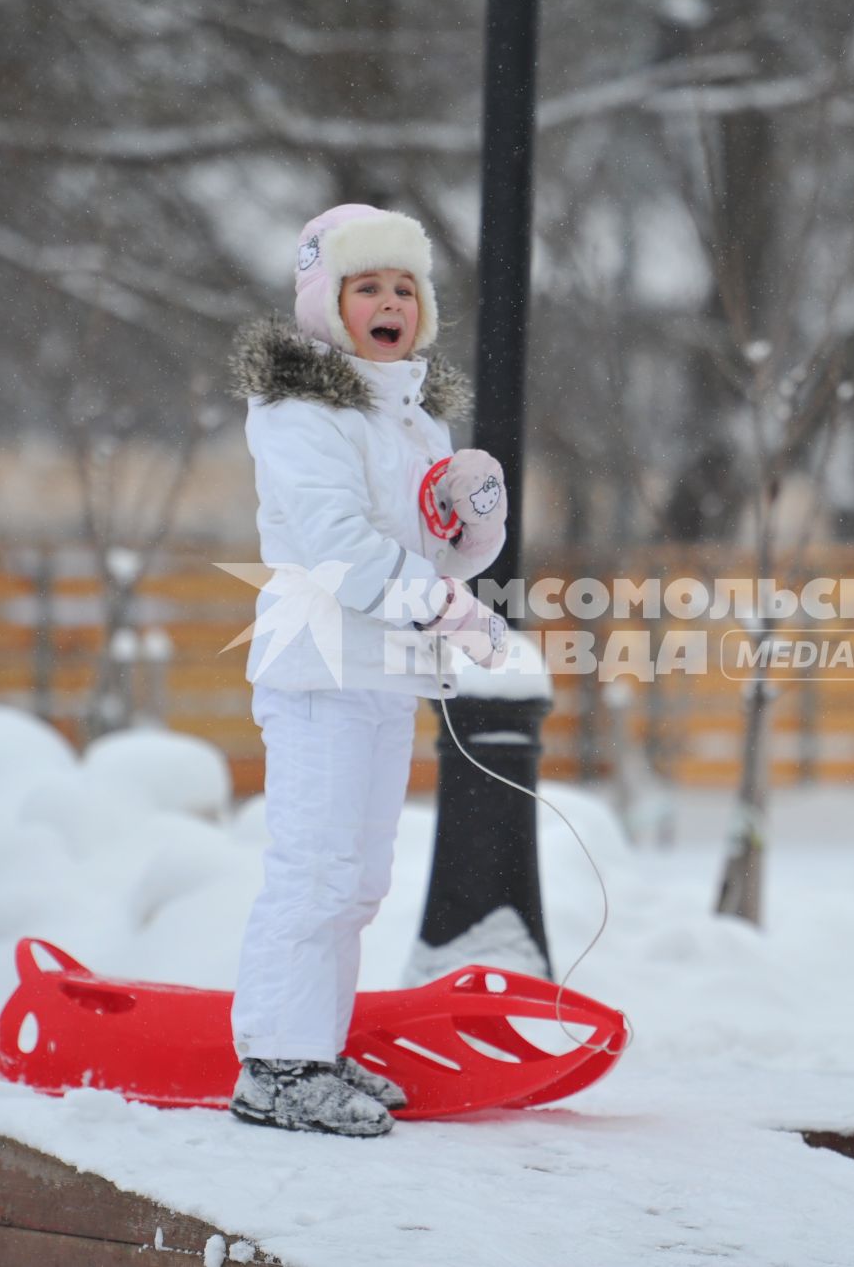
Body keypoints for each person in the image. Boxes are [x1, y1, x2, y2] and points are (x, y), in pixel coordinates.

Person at [225, 204, 509, 1136]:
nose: (388, 301)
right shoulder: (302, 411)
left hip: (389, 669)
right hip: (320, 669)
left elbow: (430, 551)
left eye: (403, 287)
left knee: (358, 881)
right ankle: (276, 1065)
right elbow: (339, 545)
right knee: (314, 870)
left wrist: (471, 534)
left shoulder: (414, 423)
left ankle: (317, 1045)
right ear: (325, 302)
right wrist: (437, 598)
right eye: (366, 286)